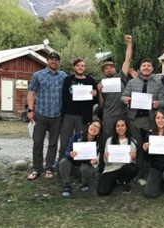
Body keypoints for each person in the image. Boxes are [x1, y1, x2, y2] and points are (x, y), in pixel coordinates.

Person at [121, 58, 164, 185]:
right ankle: (139, 172)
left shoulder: (158, 82)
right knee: (139, 145)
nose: (146, 68)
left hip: (151, 120)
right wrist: (125, 99)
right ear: (140, 68)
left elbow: (163, 101)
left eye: (148, 65)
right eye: (144, 65)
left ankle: (153, 172)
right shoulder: (132, 82)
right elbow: (123, 96)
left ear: (152, 68)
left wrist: (158, 103)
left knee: (151, 146)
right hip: (134, 119)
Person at [27, 52, 67, 181]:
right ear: (47, 60)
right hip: (41, 115)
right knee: (37, 143)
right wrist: (30, 110)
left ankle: (49, 168)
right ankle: (36, 168)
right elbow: (31, 93)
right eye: (51, 59)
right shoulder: (38, 75)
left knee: (53, 144)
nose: (54, 61)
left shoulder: (63, 76)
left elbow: (71, 89)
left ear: (58, 62)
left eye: (56, 60)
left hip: (57, 116)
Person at [58, 58, 98, 162]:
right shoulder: (68, 80)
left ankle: (79, 164)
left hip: (83, 116)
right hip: (68, 114)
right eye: (78, 65)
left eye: (82, 66)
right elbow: (64, 96)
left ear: (84, 68)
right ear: (74, 67)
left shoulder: (90, 81)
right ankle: (62, 163)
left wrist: (95, 94)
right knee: (65, 140)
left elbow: (95, 100)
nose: (80, 67)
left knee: (81, 140)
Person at [97, 35, 133, 140]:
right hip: (108, 116)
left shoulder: (121, 77)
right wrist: (99, 92)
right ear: (103, 72)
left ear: (115, 69)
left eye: (111, 67)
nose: (109, 70)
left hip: (122, 114)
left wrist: (129, 43)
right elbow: (101, 104)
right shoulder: (100, 84)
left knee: (124, 139)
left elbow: (127, 59)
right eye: (106, 69)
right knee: (108, 139)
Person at [59, 120, 102, 197]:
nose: (95, 128)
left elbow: (96, 161)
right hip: (73, 165)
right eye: (93, 125)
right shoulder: (77, 136)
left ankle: (84, 181)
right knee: (63, 162)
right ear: (88, 125)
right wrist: (70, 154)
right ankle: (67, 184)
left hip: (84, 166)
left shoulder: (97, 143)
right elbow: (66, 152)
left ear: (99, 132)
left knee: (87, 168)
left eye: (98, 127)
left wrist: (94, 161)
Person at [97, 118, 138, 196]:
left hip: (124, 168)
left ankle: (125, 181)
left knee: (132, 168)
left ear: (126, 127)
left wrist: (133, 157)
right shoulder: (109, 140)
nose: (120, 128)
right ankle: (116, 181)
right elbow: (106, 163)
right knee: (102, 191)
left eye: (122, 125)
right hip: (111, 168)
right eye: (118, 126)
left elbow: (132, 162)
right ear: (115, 128)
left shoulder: (132, 141)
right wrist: (106, 157)